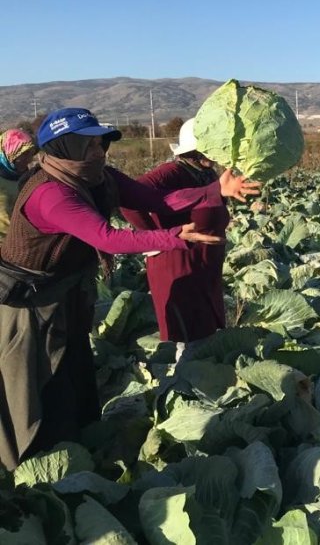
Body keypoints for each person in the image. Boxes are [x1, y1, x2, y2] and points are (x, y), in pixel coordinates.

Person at [0, 108, 260, 470]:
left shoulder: (99, 177)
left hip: (67, 293)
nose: (97, 151)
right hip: (28, 301)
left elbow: (159, 202)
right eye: (86, 143)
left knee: (75, 367)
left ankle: (81, 446)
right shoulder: (51, 193)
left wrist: (215, 189)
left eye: (99, 142)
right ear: (63, 147)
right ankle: (34, 467)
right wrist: (172, 237)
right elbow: (107, 238)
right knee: (35, 383)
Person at [120, 118, 229, 344]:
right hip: (177, 260)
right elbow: (128, 202)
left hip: (204, 261)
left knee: (206, 329)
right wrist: (153, 239)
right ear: (196, 150)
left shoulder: (206, 173)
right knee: (184, 333)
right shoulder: (170, 172)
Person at [0, 128, 37, 240]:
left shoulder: (27, 175)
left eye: (31, 154)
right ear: (10, 152)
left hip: (22, 238)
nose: (29, 159)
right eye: (24, 154)